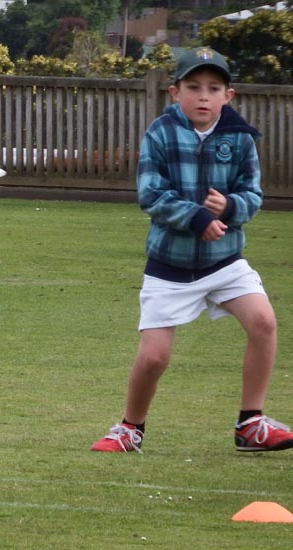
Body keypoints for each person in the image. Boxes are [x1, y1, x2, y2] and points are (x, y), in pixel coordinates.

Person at [91, 47, 293, 454]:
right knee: (154, 358)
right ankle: (130, 428)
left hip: (225, 262)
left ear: (228, 95)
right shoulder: (160, 132)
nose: (203, 96)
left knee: (263, 321)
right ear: (174, 92)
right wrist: (196, 217)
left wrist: (230, 207)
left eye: (213, 88)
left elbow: (253, 195)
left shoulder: (241, 136)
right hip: (170, 266)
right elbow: (151, 194)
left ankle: (250, 423)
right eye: (193, 87)